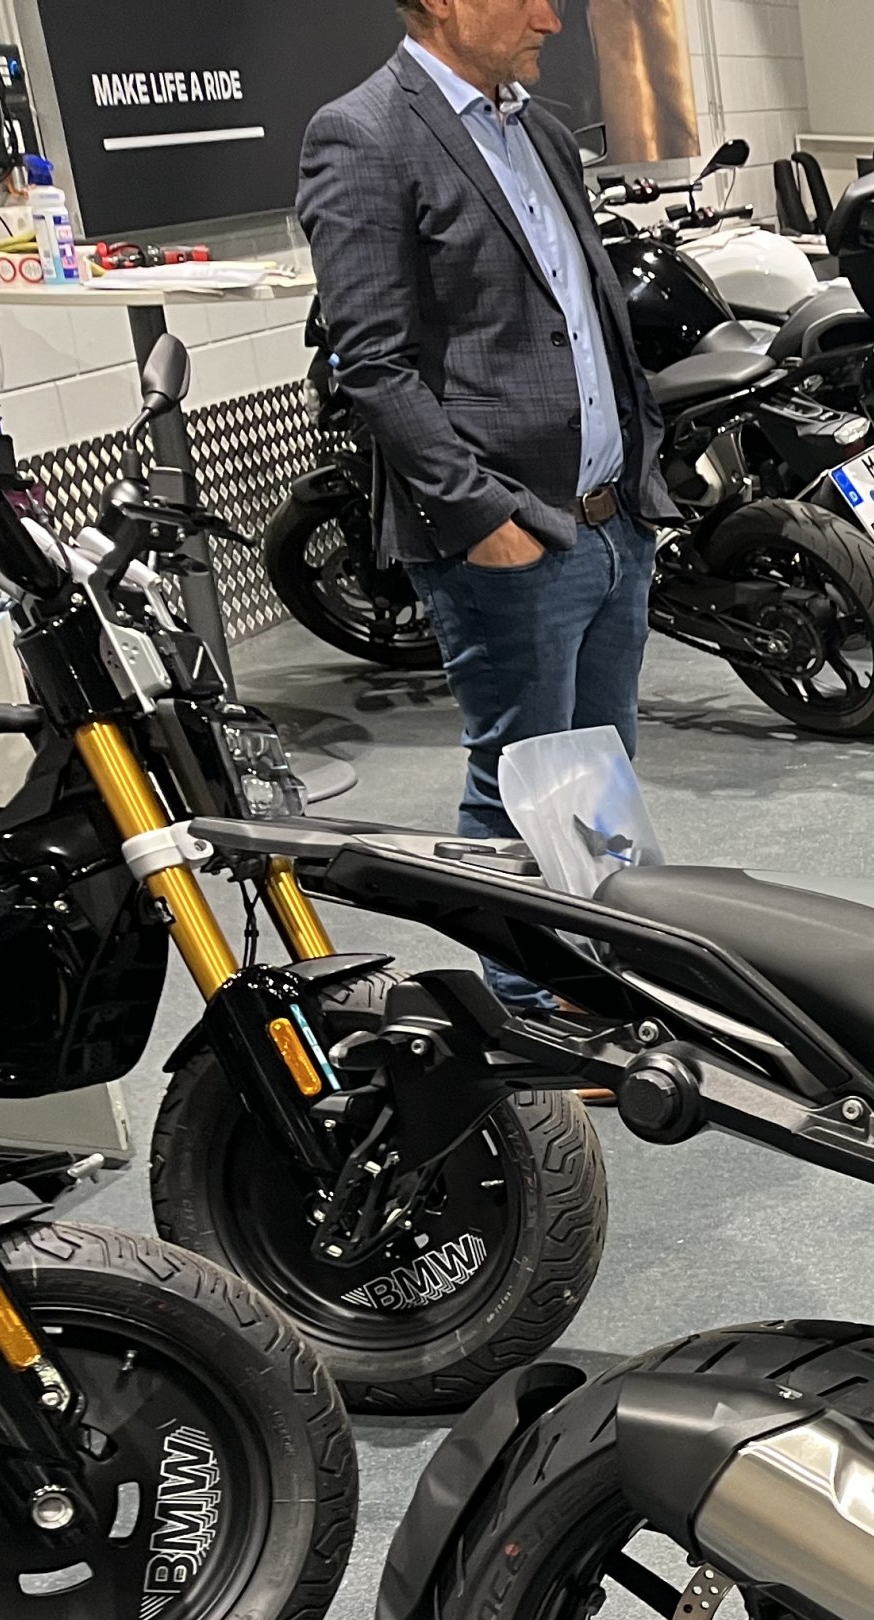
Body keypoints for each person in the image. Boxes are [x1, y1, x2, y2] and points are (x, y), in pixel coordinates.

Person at [296, 0, 675, 1000]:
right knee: (519, 786)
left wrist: (639, 482)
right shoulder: (363, 134)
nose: (550, 18)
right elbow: (372, 364)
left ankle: (602, 989)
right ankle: (528, 1018)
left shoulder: (540, 133)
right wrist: (481, 520)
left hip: (610, 518)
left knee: (597, 779)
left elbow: (585, 319)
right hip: (508, 534)